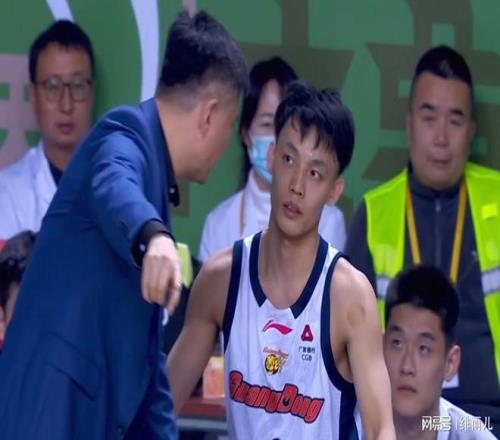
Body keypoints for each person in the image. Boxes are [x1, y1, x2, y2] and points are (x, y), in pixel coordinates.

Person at [0, 10, 247, 440]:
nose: (227, 142)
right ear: (209, 115)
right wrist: (153, 237)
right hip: (46, 415)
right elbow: (115, 181)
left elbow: (150, 379)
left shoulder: (156, 179)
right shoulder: (125, 133)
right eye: (230, 124)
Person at [168, 81, 395, 440]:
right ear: (271, 157)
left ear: (334, 191)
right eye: (289, 160)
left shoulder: (350, 297)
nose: (297, 186)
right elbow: (162, 406)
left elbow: (381, 429)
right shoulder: (220, 280)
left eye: (315, 173)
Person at [346, 45, 500, 434]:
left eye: (455, 120)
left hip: (489, 416)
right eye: (429, 117)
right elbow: (347, 341)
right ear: (409, 124)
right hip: (399, 420)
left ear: (471, 132)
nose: (441, 137)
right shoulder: (374, 212)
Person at [198, 57, 347, 263]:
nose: (277, 136)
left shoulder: (330, 220)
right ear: (246, 133)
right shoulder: (219, 223)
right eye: (268, 124)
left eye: (285, 125)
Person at [0, 20, 95, 239]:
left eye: (78, 85)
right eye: (53, 87)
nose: (66, 105)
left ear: (92, 93)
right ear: (34, 96)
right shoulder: (7, 193)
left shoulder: (120, 186)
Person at [384, 265, 496, 439]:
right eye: (397, 343)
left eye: (423, 349)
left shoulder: (473, 435)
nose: (407, 367)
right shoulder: (346, 426)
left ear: (450, 363)